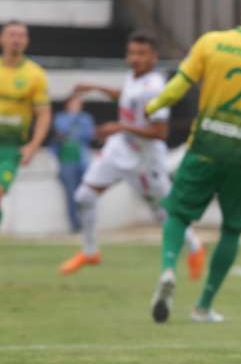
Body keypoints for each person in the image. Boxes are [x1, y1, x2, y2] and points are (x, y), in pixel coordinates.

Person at [144, 0, 241, 324]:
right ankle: (203, 305)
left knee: (178, 214)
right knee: (232, 229)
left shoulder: (211, 43)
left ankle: (169, 268)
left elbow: (178, 86)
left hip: (205, 147)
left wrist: (152, 107)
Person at [58, 34, 206, 276]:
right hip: (119, 149)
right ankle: (90, 251)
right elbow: (126, 95)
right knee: (84, 196)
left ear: (154, 57)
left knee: (163, 213)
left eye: (141, 53)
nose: (134, 58)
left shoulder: (156, 89)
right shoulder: (133, 77)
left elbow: (160, 132)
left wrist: (120, 127)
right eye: (131, 53)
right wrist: (95, 88)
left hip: (145, 160)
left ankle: (195, 247)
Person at [0, 21, 51, 226]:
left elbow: (44, 114)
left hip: (11, 147)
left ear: (27, 41)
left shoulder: (35, 74)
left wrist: (33, 145)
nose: (16, 40)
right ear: (2, 38)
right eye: (12, 34)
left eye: (21, 35)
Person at [50, 95, 95, 232]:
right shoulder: (60, 117)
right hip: (66, 161)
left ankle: (87, 223)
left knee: (86, 193)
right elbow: (61, 131)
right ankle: (75, 225)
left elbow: (88, 134)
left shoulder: (86, 118)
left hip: (83, 159)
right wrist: (73, 121)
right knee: (71, 194)